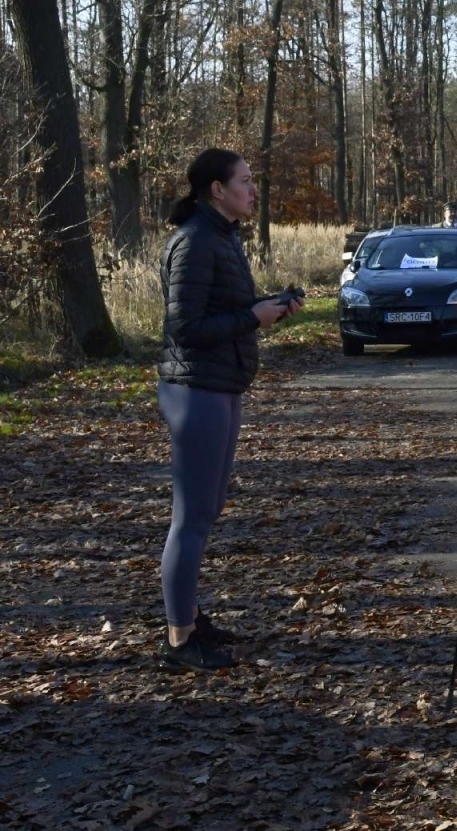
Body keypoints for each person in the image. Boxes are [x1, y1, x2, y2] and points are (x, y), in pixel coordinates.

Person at [158, 148, 304, 671]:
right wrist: (252, 317)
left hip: (220, 387)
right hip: (194, 391)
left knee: (206, 509)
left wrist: (266, 309)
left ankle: (190, 618)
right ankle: (179, 640)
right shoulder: (196, 242)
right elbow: (186, 329)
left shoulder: (221, 238)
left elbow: (222, 313)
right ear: (216, 190)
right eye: (243, 181)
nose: (252, 188)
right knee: (192, 516)